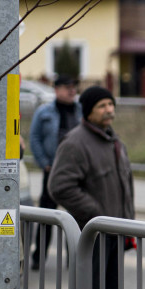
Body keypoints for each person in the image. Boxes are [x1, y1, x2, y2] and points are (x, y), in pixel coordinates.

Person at [47, 86, 135, 289]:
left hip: (115, 233)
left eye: (111, 104)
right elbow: (59, 186)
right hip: (93, 235)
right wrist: (97, 215)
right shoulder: (75, 143)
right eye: (102, 106)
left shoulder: (112, 139)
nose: (109, 109)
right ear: (87, 111)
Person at [27, 74, 81, 269]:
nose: (71, 90)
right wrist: (44, 163)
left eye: (73, 86)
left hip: (76, 173)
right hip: (52, 171)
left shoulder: (81, 110)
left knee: (75, 218)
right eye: (67, 86)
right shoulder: (44, 112)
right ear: (56, 89)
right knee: (47, 218)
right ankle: (38, 258)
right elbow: (34, 138)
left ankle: (74, 260)